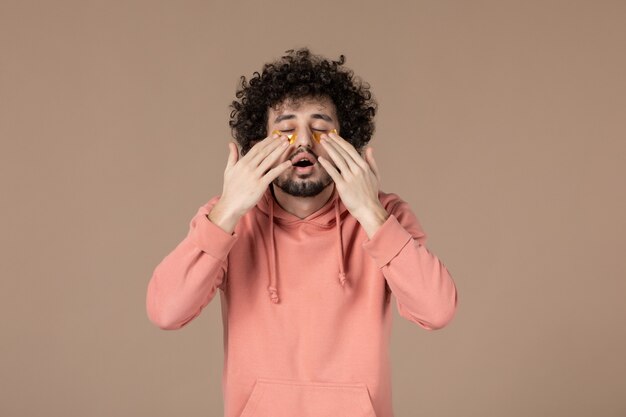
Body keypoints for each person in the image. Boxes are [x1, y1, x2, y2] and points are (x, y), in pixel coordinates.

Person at [146, 48, 458, 417]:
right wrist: (228, 210)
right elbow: (166, 311)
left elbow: (437, 311)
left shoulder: (385, 216)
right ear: (259, 143)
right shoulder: (229, 219)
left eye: (321, 126)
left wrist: (369, 211)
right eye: (286, 128)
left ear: (348, 139)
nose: (304, 141)